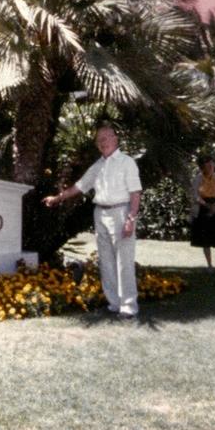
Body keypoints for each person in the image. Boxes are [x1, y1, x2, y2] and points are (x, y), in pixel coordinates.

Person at [43, 124, 142, 319]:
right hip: (101, 214)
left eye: (106, 137)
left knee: (124, 261)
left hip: (121, 212)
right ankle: (114, 303)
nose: (102, 142)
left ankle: (129, 307)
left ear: (115, 139)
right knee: (106, 261)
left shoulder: (126, 162)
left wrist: (131, 219)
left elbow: (135, 193)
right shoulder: (97, 166)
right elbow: (79, 187)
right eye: (99, 139)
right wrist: (57, 198)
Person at [190, 154, 215, 272]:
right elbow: (195, 194)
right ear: (203, 167)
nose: (211, 166)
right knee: (205, 237)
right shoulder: (198, 178)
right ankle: (209, 266)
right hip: (203, 207)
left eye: (212, 164)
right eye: (208, 165)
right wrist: (205, 205)